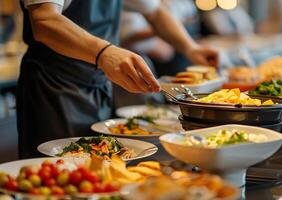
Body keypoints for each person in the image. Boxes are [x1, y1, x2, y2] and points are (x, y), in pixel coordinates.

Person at [17, 0, 219, 158]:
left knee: (100, 166)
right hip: (53, 87)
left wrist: (190, 47)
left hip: (99, 83)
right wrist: (104, 52)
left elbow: (156, 11)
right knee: (58, 175)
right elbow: (44, 20)